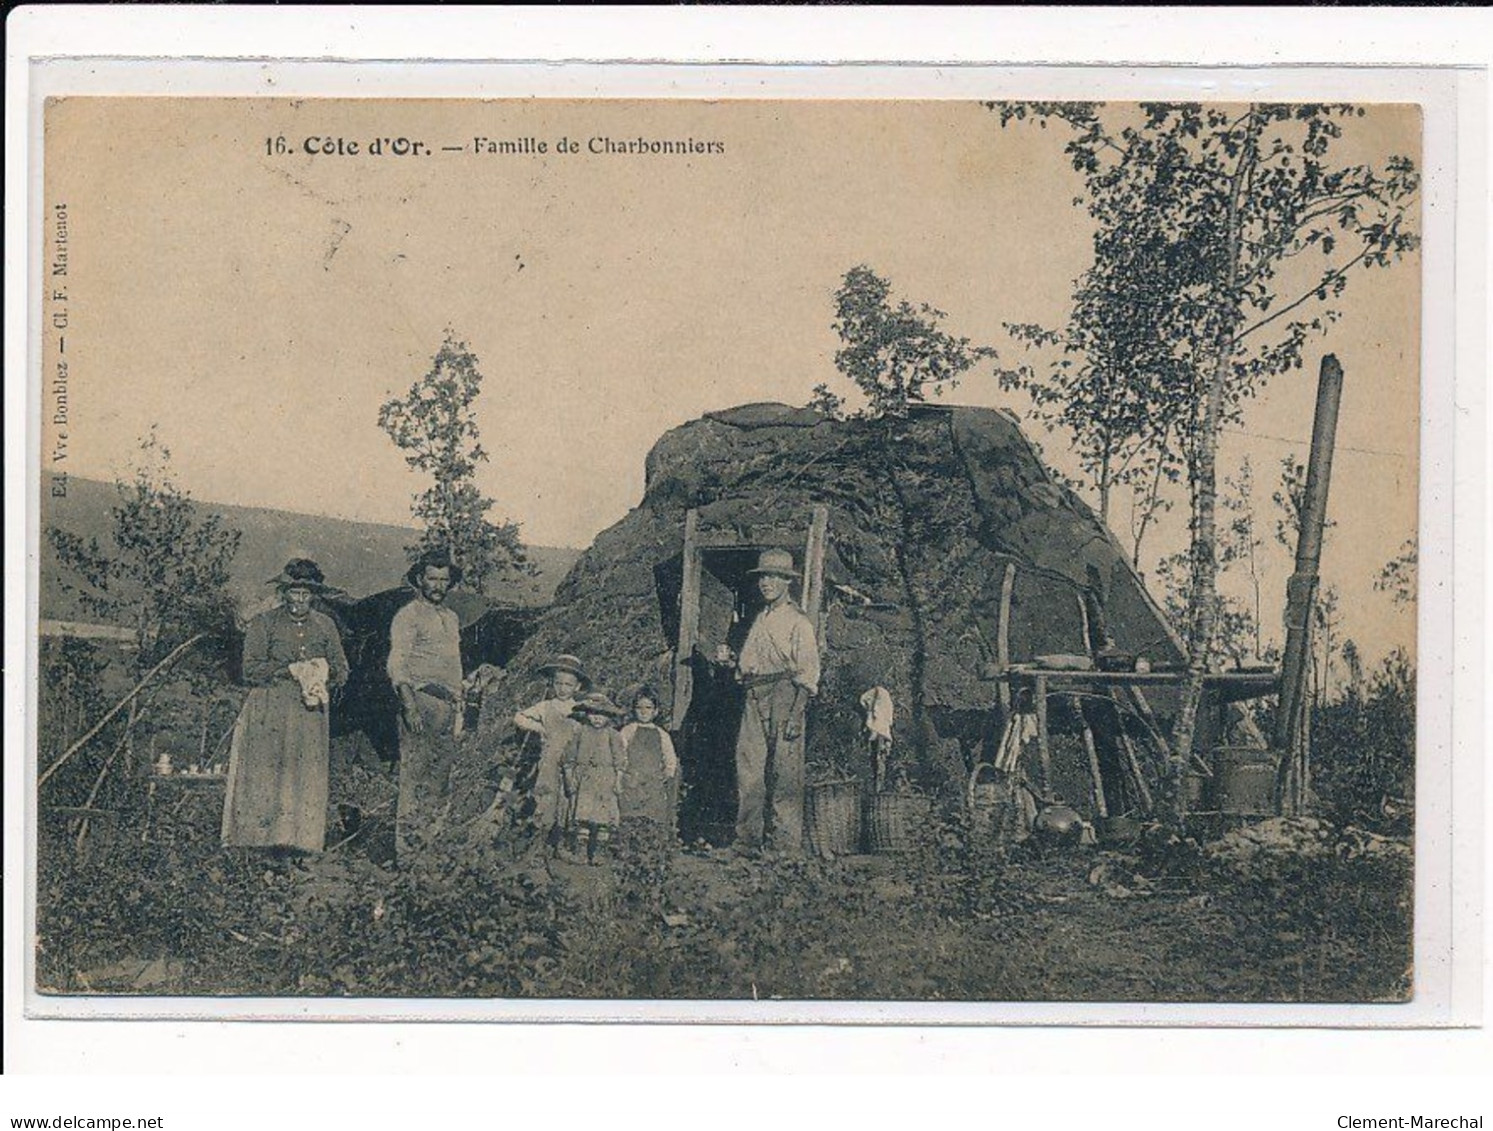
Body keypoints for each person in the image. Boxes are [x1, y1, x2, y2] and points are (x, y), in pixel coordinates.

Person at [222, 559, 349, 857]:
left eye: (306, 594)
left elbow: (342, 667)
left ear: (314, 595)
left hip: (309, 714)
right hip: (270, 710)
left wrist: (324, 675)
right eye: (293, 593)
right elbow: (250, 670)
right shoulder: (264, 623)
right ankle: (257, 842)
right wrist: (289, 670)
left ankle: (300, 844)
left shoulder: (325, 625)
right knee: (268, 771)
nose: (299, 600)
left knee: (304, 773)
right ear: (284, 592)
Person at [732, 548, 820, 855]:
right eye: (763, 577)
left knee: (785, 774)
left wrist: (796, 714)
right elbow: (747, 663)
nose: (766, 583)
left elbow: (808, 674)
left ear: (787, 581)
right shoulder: (761, 619)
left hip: (786, 694)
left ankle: (784, 847)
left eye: (774, 577)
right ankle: (747, 841)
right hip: (755, 695)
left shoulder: (799, 622)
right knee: (750, 770)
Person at [387, 549, 466, 858]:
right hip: (420, 701)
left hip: (447, 706)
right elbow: (398, 664)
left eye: (443, 580)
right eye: (432, 578)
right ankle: (406, 855)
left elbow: (452, 664)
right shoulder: (408, 616)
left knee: (440, 779)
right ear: (420, 579)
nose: (437, 585)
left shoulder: (451, 617)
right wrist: (409, 707)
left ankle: (428, 850)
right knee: (414, 779)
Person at [513, 653, 588, 848]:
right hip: (549, 760)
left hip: (571, 762)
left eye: (568, 685)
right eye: (558, 683)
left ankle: (560, 842)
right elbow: (519, 717)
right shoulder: (545, 706)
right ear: (552, 684)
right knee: (546, 796)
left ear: (577, 687)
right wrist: (539, 728)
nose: (562, 689)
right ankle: (538, 842)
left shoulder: (580, 709)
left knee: (567, 798)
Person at [560, 692, 627, 865]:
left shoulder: (613, 735)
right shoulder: (580, 732)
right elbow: (569, 757)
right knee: (583, 816)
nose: (597, 718)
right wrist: (569, 777)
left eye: (602, 714)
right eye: (593, 713)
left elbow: (620, 760)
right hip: (585, 779)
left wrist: (618, 780)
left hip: (605, 779)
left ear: (609, 716)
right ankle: (581, 850)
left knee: (603, 818)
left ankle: (599, 852)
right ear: (587, 714)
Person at [618, 685, 680, 846]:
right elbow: (620, 753)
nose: (644, 711)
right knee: (630, 813)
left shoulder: (662, 734)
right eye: (639, 708)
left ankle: (649, 844)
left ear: (656, 711)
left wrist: (667, 774)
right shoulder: (628, 730)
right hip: (632, 780)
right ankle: (628, 843)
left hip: (653, 782)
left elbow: (670, 758)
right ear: (634, 710)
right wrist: (622, 774)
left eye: (648, 707)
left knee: (652, 814)